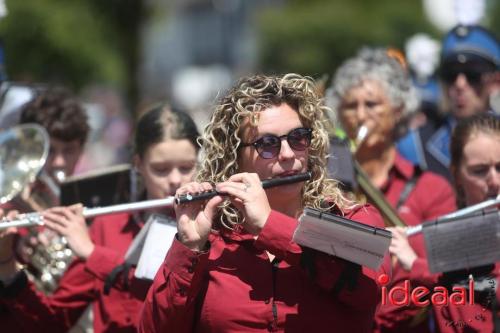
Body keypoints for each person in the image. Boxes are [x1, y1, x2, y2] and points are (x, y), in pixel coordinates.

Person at [139, 73, 391, 333]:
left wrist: (270, 225)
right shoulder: (213, 240)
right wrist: (189, 248)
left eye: (298, 138)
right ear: (235, 157)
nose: (288, 154)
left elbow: (371, 288)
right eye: (267, 144)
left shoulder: (354, 217)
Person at [0, 104, 200, 332]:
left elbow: (172, 293)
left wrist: (94, 255)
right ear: (138, 164)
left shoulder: (211, 228)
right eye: (161, 169)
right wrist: (7, 267)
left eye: (186, 167)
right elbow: (53, 321)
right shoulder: (108, 225)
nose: (175, 180)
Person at [327, 47, 456, 332]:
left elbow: (444, 276)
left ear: (398, 111)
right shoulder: (325, 187)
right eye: (350, 106)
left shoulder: (432, 189)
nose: (360, 116)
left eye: (372, 104)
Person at [390, 113, 500, 332]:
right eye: (479, 171)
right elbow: (387, 316)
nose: (495, 181)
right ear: (456, 175)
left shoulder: (424, 257)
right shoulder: (439, 236)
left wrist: (417, 267)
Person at [398, 24, 500, 183]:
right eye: (451, 74)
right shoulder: (416, 143)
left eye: (473, 74)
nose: (460, 84)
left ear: (496, 82)